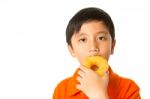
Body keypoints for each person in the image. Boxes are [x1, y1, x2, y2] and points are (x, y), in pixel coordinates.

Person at [53, 7, 141, 99]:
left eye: (101, 38)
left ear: (112, 46)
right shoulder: (62, 90)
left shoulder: (129, 89)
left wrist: (99, 94)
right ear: (71, 49)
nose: (93, 47)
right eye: (83, 39)